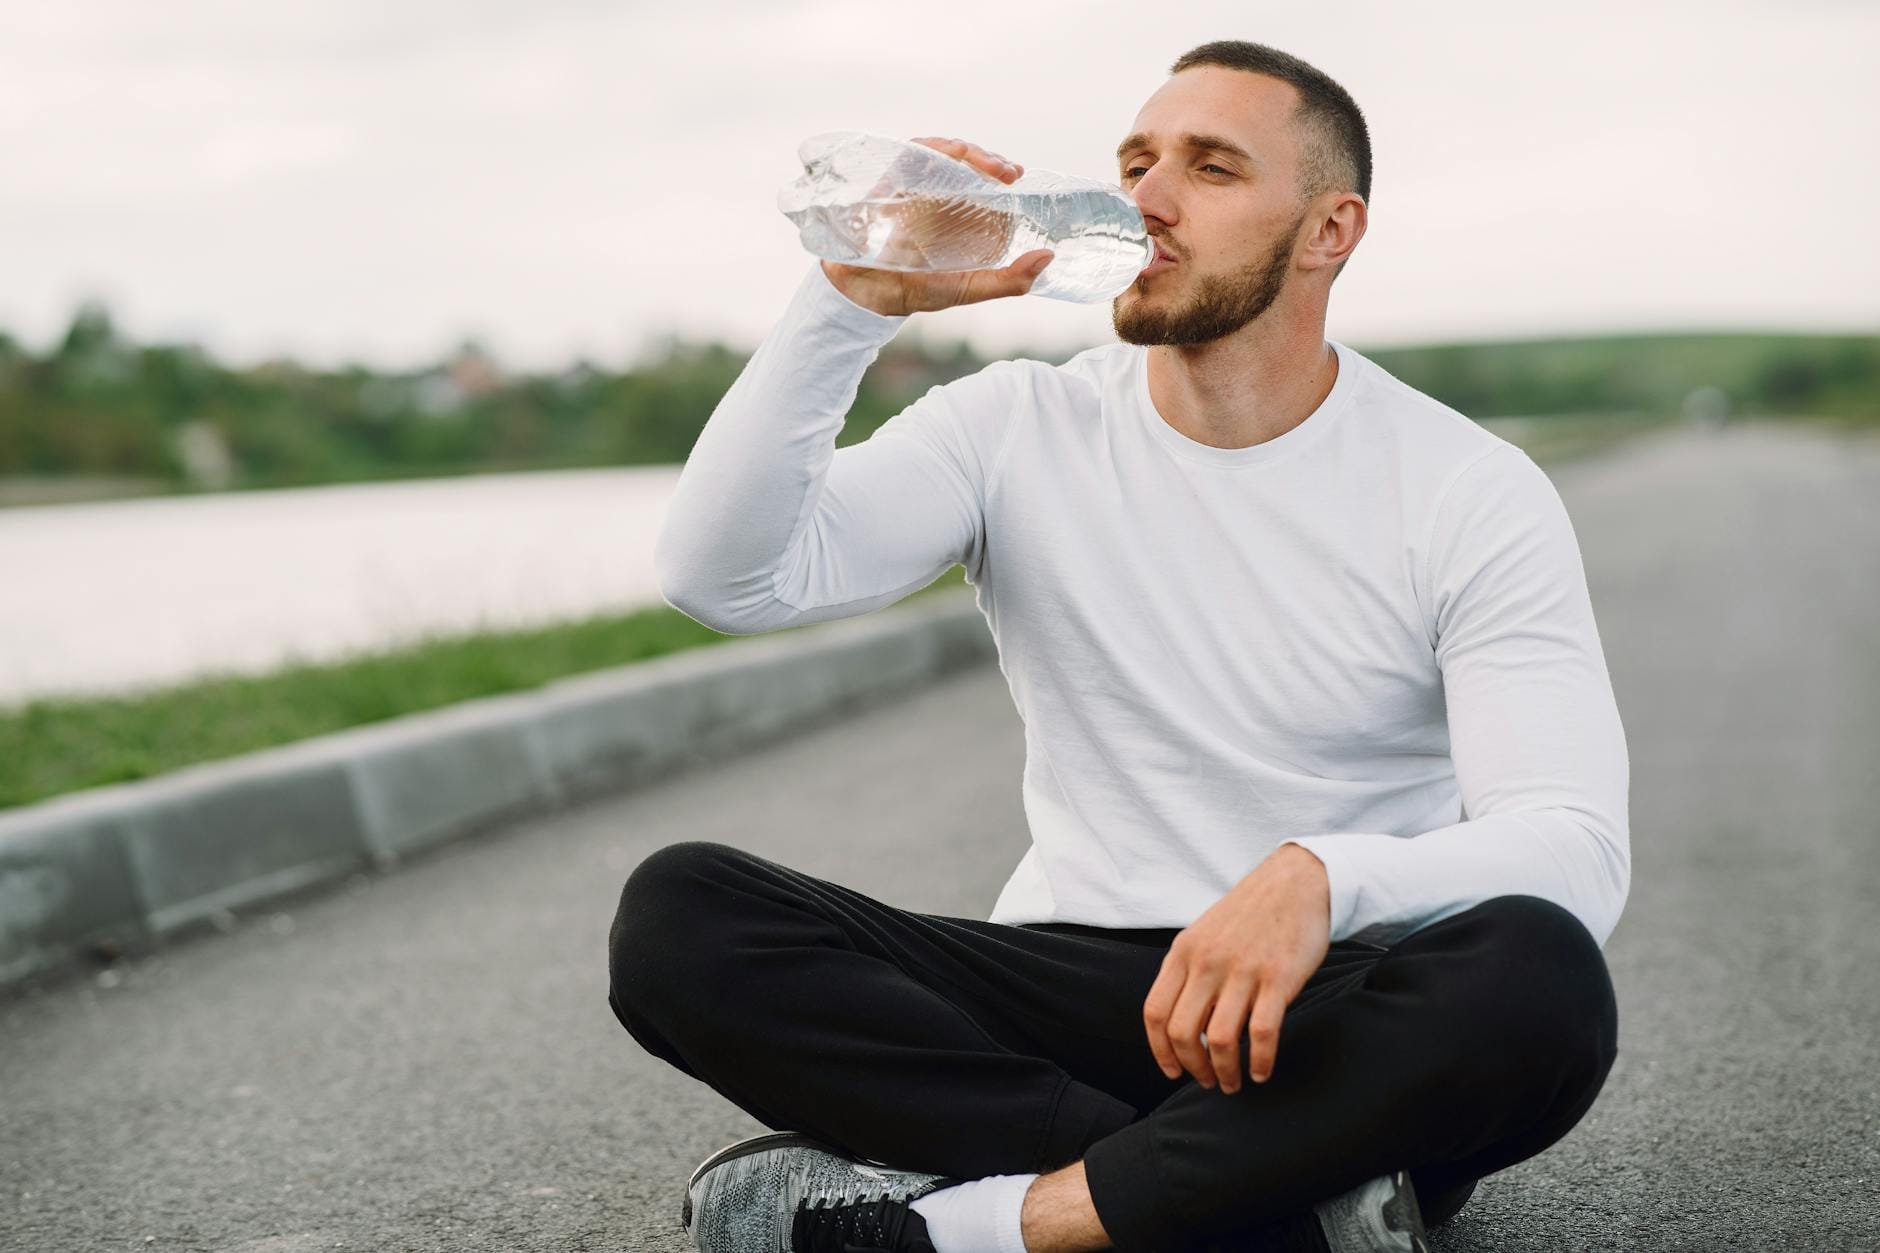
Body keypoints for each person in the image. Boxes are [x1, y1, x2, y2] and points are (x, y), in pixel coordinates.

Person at [609, 37, 1627, 1253]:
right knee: (680, 913)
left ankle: (977, 1226)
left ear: (1326, 230)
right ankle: (1259, 1203)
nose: (1143, 198)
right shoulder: (1015, 425)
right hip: (1073, 992)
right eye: (1135, 160)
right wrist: (844, 307)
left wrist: (1319, 875)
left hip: (1323, 1011)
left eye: (1208, 167)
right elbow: (724, 576)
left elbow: (1571, 845)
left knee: (1537, 975)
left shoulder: (1466, 487)